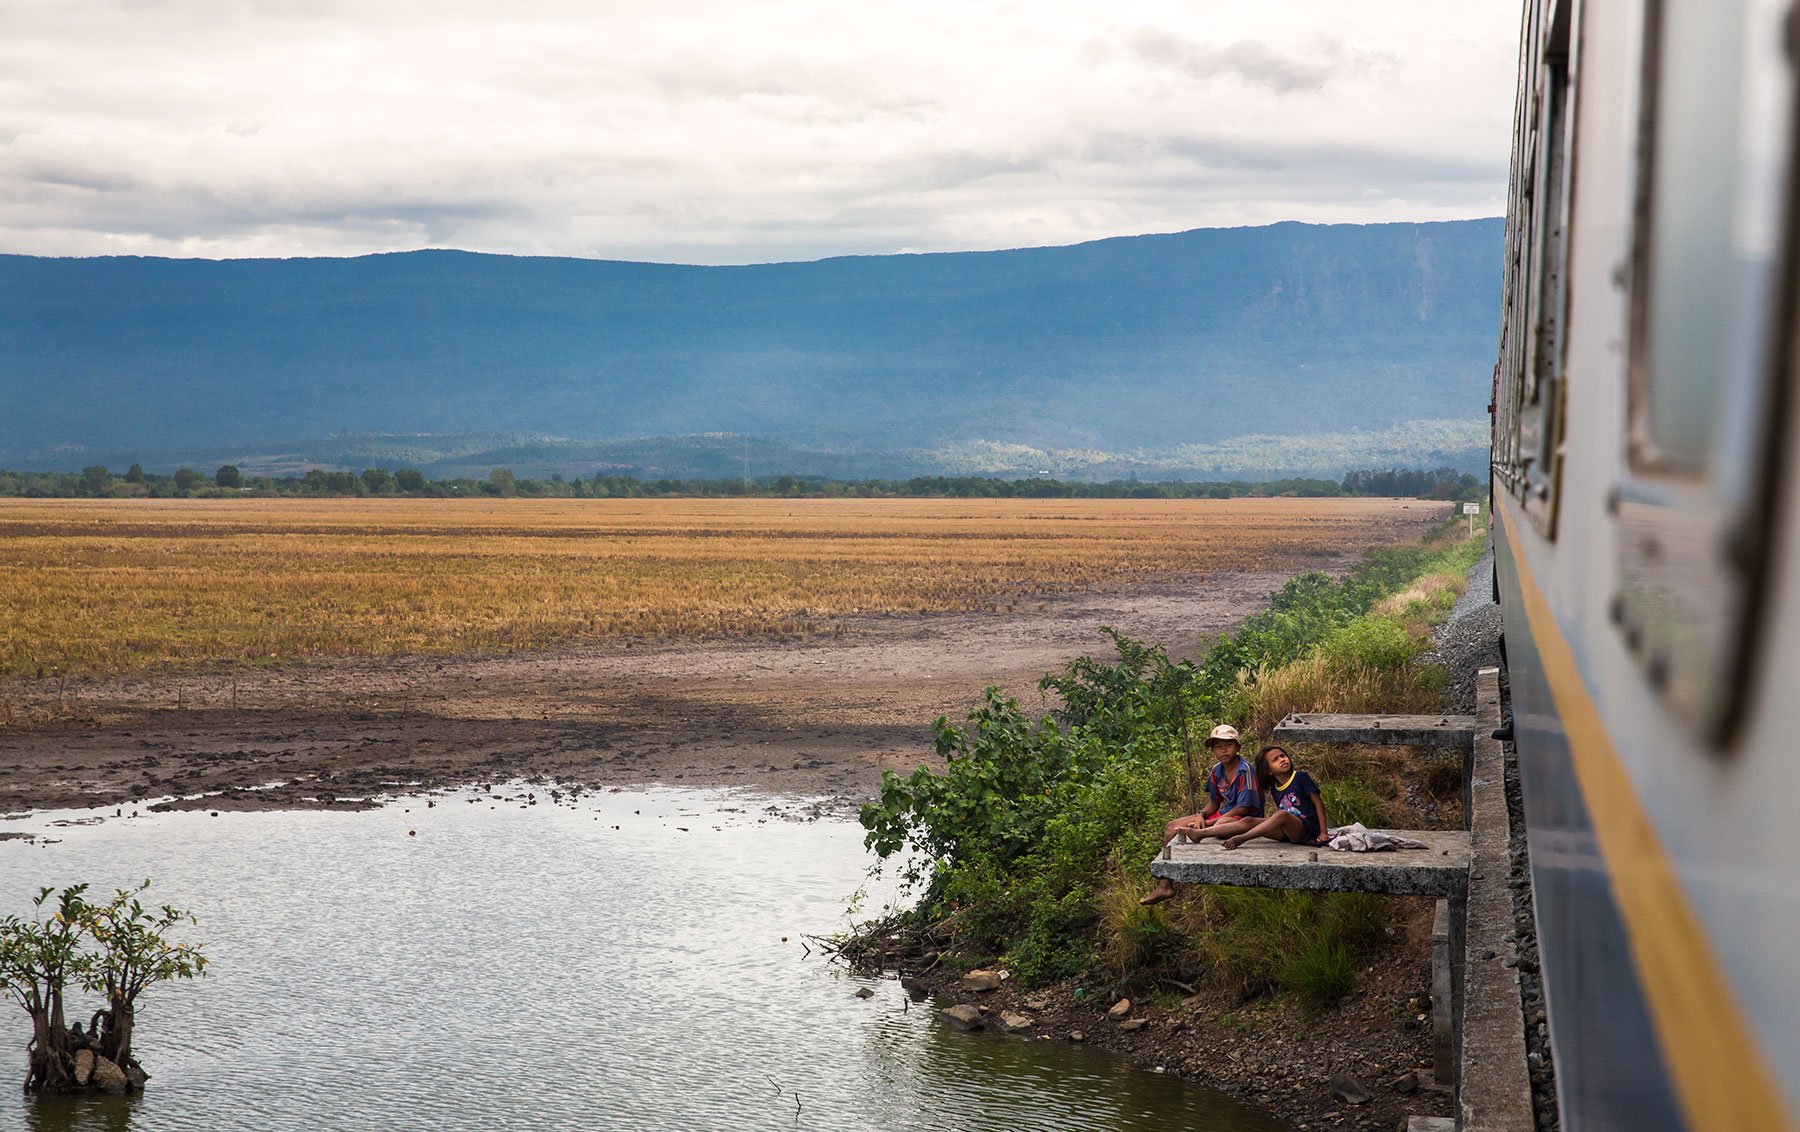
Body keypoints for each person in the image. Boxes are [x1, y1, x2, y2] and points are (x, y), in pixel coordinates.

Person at [1138, 724, 1262, 905]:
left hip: (1244, 819)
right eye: (1218, 747)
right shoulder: (1216, 771)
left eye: (1228, 745)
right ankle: (1165, 885)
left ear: (1237, 747)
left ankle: (1201, 832)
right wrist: (1200, 816)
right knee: (1172, 827)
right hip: (1224, 814)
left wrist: (1210, 824)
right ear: (1213, 751)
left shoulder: (1246, 771)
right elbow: (1214, 802)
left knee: (1221, 824)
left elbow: (1243, 808)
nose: (1223, 750)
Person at [1223, 744, 1332, 850]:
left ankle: (1241, 838)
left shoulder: (1300, 777)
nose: (1282, 760)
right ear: (1269, 771)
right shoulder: (1275, 789)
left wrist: (1323, 832)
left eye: (1283, 756)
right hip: (1288, 832)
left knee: (1282, 815)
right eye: (1275, 759)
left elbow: (1318, 803)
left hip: (1307, 829)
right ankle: (1205, 833)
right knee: (1248, 821)